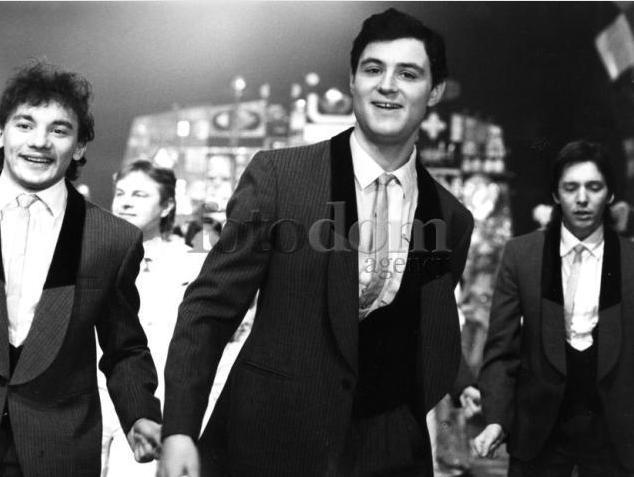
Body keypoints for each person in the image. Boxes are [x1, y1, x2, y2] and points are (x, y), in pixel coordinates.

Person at [160, 8, 473, 477]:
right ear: (352, 81)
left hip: (387, 455)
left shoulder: (451, 217)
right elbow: (209, 309)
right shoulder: (280, 176)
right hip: (266, 446)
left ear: (435, 91)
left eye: (408, 74)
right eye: (373, 69)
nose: (387, 86)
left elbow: (429, 333)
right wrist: (180, 430)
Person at [0, 62, 161, 476]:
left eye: (59, 130)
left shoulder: (112, 239)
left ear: (79, 146)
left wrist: (141, 414)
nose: (39, 141)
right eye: (24, 124)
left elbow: (124, 346)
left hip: (59, 449)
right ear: (1, 133)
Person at [474, 140, 634, 476]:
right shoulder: (522, 255)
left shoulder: (630, 260)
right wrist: (496, 419)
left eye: (594, 187)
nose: (582, 199)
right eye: (570, 188)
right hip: (538, 432)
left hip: (615, 435)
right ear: (555, 195)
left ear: (610, 195)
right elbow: (501, 351)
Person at [99, 160, 204, 476]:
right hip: (89, 408)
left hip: (152, 412)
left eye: (140, 195)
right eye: (120, 193)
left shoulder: (192, 265)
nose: (125, 202)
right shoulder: (92, 254)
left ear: (167, 205)